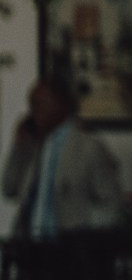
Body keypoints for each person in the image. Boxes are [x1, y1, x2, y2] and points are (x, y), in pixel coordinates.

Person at [4, 74, 123, 237]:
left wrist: (84, 232)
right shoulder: (32, 144)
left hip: (71, 250)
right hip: (30, 247)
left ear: (62, 104)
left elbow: (112, 203)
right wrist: (18, 147)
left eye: (39, 103)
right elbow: (8, 189)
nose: (33, 110)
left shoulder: (89, 147)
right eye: (31, 104)